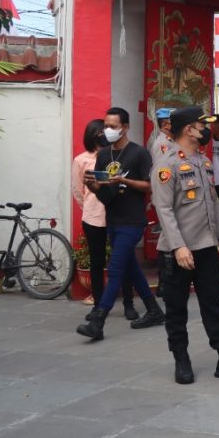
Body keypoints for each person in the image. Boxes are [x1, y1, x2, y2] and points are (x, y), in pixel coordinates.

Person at [150, 107, 219, 385]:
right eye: (201, 125)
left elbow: (211, 206)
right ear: (188, 129)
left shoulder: (203, 162)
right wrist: (178, 247)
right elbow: (164, 210)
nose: (205, 130)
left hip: (207, 248)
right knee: (176, 309)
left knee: (213, 304)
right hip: (179, 252)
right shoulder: (167, 164)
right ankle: (181, 360)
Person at [76, 107, 165, 339]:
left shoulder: (139, 154)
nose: (108, 130)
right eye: (106, 126)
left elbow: (151, 186)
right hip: (112, 219)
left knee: (115, 269)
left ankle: (98, 320)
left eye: (113, 126)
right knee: (130, 268)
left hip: (132, 221)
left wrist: (124, 180)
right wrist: (93, 184)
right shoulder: (104, 155)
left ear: (125, 127)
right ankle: (154, 309)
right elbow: (104, 194)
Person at [71, 119, 134, 315]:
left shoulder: (118, 157)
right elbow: (77, 190)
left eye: (107, 130)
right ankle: (98, 305)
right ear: (91, 135)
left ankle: (129, 304)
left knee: (125, 259)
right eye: (100, 132)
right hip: (94, 218)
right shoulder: (82, 160)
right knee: (97, 262)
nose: (104, 135)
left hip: (119, 216)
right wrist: (92, 205)